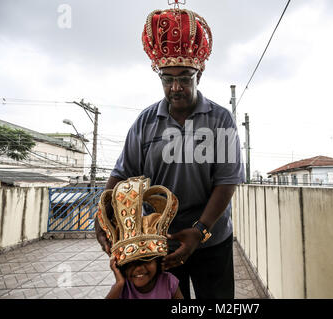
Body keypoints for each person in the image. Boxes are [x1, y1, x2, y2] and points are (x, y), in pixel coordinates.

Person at [95, 5, 245, 299]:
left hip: (212, 240)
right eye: (167, 78)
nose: (176, 87)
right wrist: (102, 219)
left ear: (198, 74)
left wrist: (200, 231)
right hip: (159, 242)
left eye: (185, 77)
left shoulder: (221, 119)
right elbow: (122, 174)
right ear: (160, 78)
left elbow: (227, 181)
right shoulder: (145, 121)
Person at [106, 256, 183, 299]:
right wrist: (119, 284)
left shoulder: (168, 281)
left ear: (157, 261)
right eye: (131, 263)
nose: (139, 268)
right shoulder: (121, 288)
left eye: (146, 260)